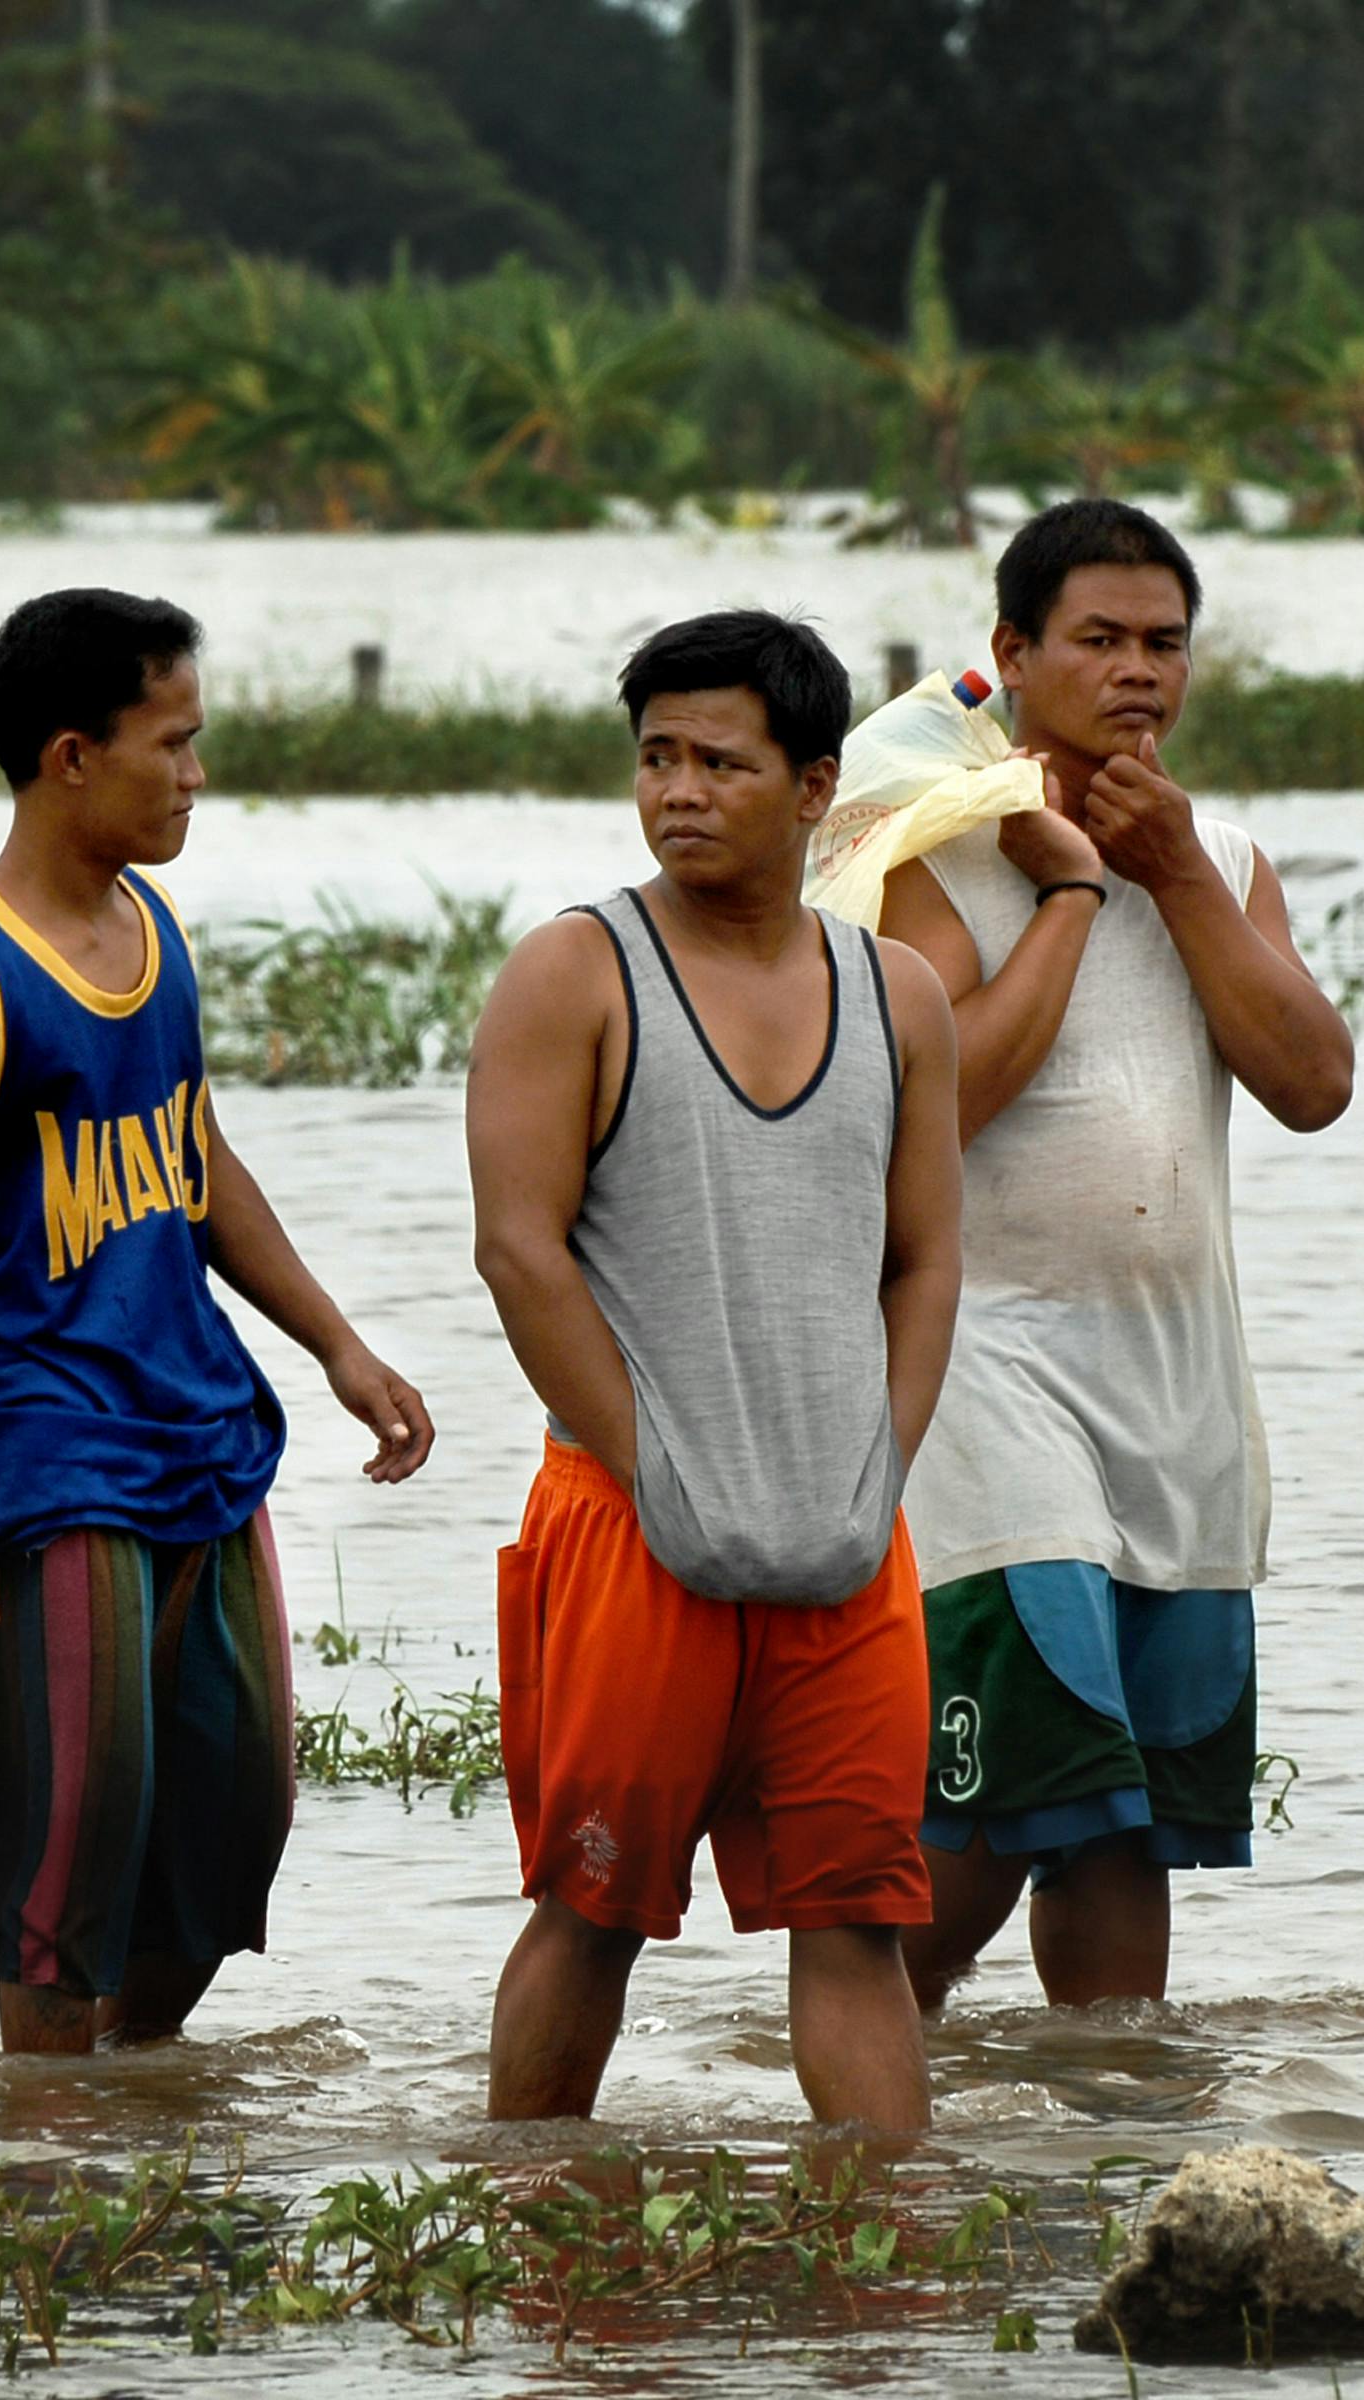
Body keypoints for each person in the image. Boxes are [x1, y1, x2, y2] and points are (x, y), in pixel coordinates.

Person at [0, 587, 436, 2055]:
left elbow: (196, 1158)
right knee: (70, 1848)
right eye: (170, 744)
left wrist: (337, 1345)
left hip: (199, 1434)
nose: (194, 775)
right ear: (68, 758)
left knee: (238, 1824)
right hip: (49, 1459)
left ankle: (133, 2103)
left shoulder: (150, 923)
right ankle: (43, 2176)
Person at [466, 609, 962, 2133]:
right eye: (657, 758)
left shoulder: (900, 997)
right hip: (631, 1530)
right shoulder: (577, 973)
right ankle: (529, 2221)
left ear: (818, 787)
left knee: (861, 1926)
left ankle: (883, 2283)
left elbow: (927, 1260)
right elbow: (519, 1249)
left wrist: (883, 1459)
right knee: (594, 1908)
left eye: (721, 763)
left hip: (842, 1541)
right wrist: (652, 1469)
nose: (679, 791)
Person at [879, 500, 1354, 2012]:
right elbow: (940, 1099)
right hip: (985, 1379)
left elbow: (1313, 1086)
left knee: (1127, 1819)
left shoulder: (1221, 854)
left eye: (1164, 643)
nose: (1137, 672)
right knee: (1018, 1789)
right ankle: (865, 2062)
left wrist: (1180, 881)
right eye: (1099, 640)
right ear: (1013, 654)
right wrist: (1077, 885)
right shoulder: (938, 856)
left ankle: (1108, 2136)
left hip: (1179, 1393)